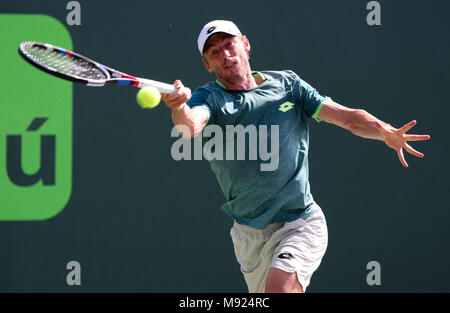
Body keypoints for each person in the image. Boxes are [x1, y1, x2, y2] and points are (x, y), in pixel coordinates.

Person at [161, 20, 430, 293]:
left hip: (300, 223)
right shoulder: (209, 97)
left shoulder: (288, 85)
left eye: (229, 45)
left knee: (279, 288)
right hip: (249, 236)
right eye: (215, 52)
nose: (226, 55)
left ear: (245, 43)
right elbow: (190, 126)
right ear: (208, 65)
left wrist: (384, 132)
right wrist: (180, 106)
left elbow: (347, 117)